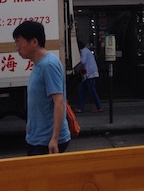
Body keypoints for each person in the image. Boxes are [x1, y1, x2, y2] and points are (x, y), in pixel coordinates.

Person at [13, 21, 71, 155]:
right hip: (37, 137)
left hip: (46, 141)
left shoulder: (48, 65)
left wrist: (54, 139)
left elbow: (59, 102)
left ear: (34, 42)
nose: (17, 48)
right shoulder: (39, 64)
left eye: (19, 43)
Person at [75, 39, 102, 113]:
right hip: (90, 74)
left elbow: (83, 61)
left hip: (89, 74)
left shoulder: (84, 51)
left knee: (90, 91)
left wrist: (77, 60)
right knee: (82, 90)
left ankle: (99, 107)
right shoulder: (87, 50)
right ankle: (80, 107)